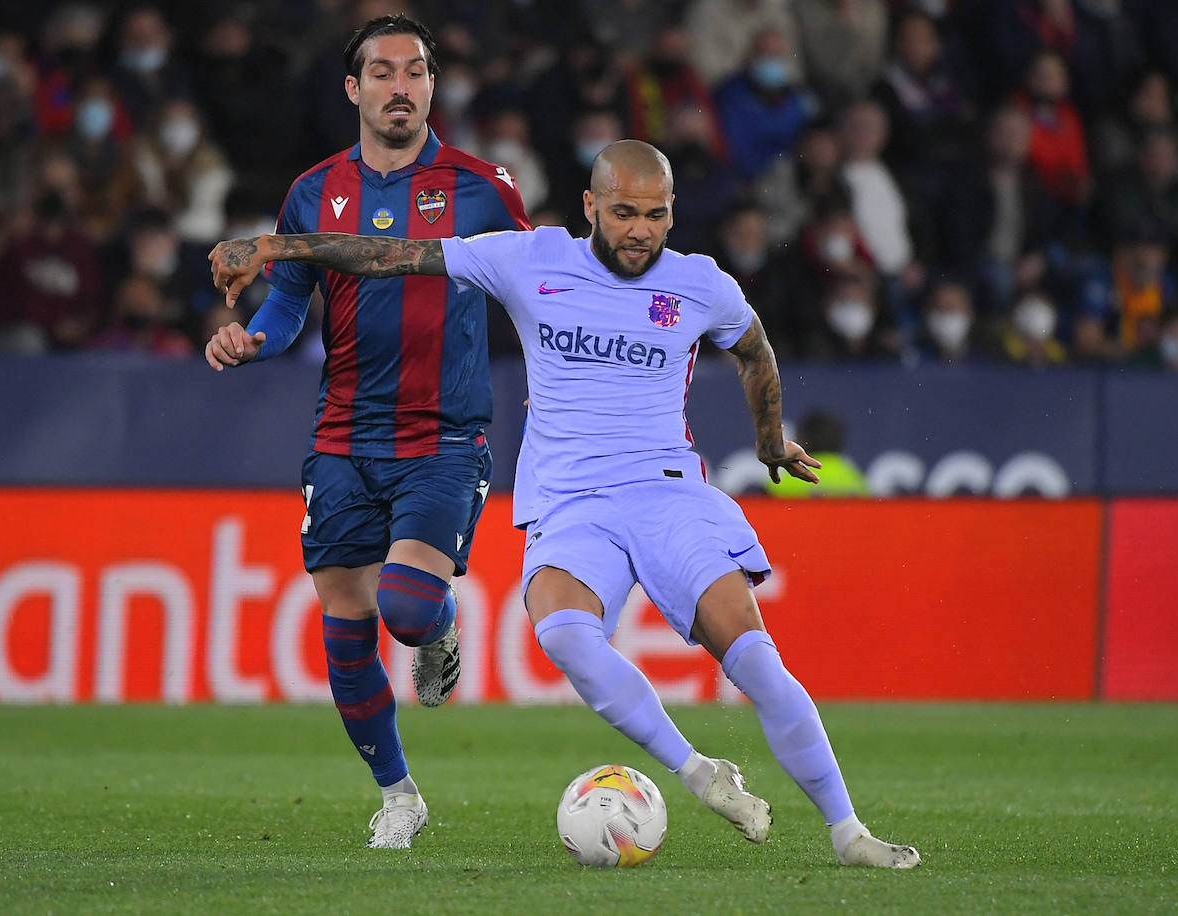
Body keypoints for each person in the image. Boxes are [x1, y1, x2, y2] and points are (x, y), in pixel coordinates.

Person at [208, 139, 920, 869]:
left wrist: (770, 441)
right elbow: (389, 256)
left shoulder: (700, 283)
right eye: (622, 213)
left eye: (655, 214)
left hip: (667, 495)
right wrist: (270, 246)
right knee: (564, 635)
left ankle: (848, 832)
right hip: (572, 502)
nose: (639, 230)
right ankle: (700, 772)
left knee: (755, 661)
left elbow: (753, 346)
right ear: (590, 207)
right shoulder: (532, 259)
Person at [203, 14, 530, 850]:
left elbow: (540, 290)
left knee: (408, 609)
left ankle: (438, 626)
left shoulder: (483, 185)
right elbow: (285, 301)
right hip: (344, 435)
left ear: (432, 86)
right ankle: (400, 797)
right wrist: (255, 341)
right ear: (354, 90)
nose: (400, 87)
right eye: (381, 73)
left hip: (446, 434)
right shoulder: (314, 191)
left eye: (415, 72)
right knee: (345, 626)